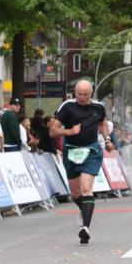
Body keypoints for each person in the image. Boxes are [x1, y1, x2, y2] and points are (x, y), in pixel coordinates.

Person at [51, 79, 114, 244]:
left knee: (86, 188)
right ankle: (84, 209)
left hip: (91, 151)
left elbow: (103, 124)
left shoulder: (98, 107)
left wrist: (107, 140)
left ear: (91, 93)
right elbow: (53, 131)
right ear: (75, 92)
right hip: (71, 151)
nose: (82, 97)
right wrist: (70, 131)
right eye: (79, 94)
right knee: (75, 194)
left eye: (85, 94)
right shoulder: (67, 106)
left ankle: (85, 228)